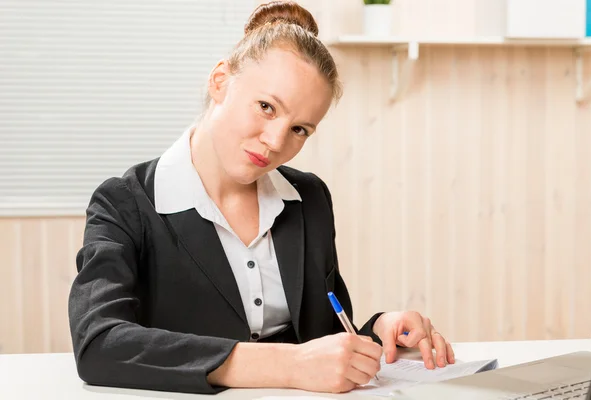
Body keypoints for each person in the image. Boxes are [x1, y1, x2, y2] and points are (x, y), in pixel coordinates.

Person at [68, 1, 455, 395]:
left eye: (300, 129)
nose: (275, 142)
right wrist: (287, 366)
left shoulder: (309, 197)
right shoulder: (125, 203)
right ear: (220, 81)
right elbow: (99, 344)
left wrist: (378, 331)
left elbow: (323, 337)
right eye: (266, 107)